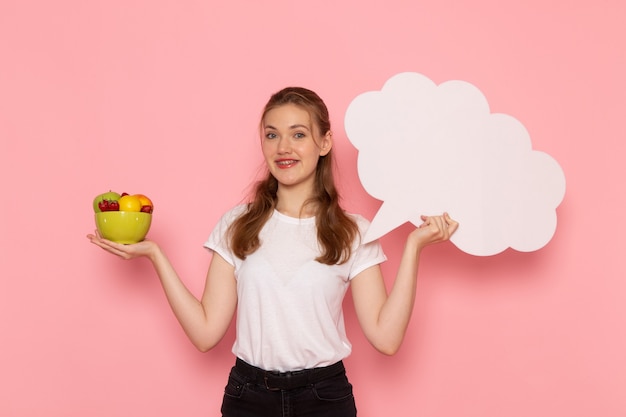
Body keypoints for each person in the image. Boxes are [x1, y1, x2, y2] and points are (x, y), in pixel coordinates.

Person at [87, 86, 458, 416]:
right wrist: (155, 255)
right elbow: (205, 334)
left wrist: (414, 248)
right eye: (272, 135)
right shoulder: (237, 224)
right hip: (248, 397)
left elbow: (386, 338)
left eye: (299, 134)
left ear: (324, 143)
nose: (283, 148)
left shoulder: (354, 232)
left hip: (325, 399)